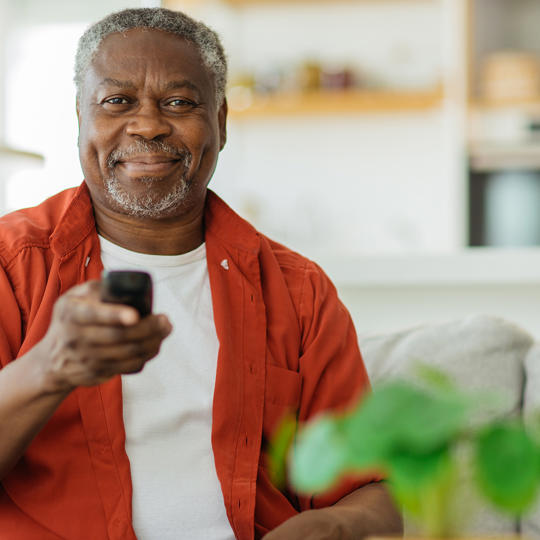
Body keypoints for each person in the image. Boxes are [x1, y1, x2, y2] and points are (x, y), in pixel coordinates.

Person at [0, 7, 402, 540]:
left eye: (180, 102)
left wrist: (331, 526)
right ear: (80, 118)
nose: (147, 124)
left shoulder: (299, 291)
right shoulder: (12, 265)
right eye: (117, 101)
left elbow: (370, 491)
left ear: (221, 122)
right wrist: (48, 368)